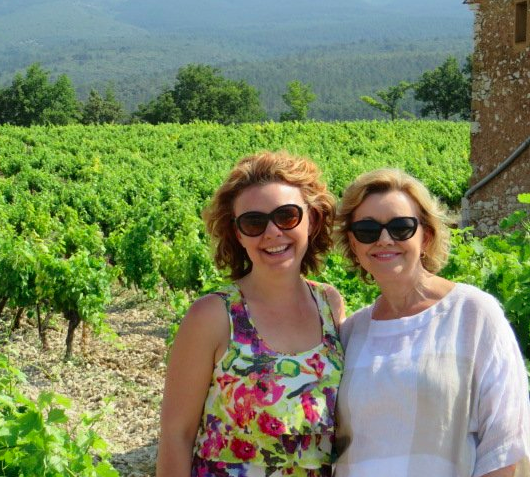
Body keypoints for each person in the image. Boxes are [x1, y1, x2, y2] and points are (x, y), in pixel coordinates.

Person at [157, 151, 346, 477]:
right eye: (254, 222)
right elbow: (177, 436)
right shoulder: (213, 316)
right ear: (239, 234)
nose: (272, 232)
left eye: (286, 216)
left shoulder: (329, 304)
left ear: (312, 219)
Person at [333, 168, 530, 477]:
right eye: (368, 230)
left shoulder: (473, 315)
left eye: (401, 227)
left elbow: (504, 444)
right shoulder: (352, 332)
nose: (384, 239)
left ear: (426, 236)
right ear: (354, 245)